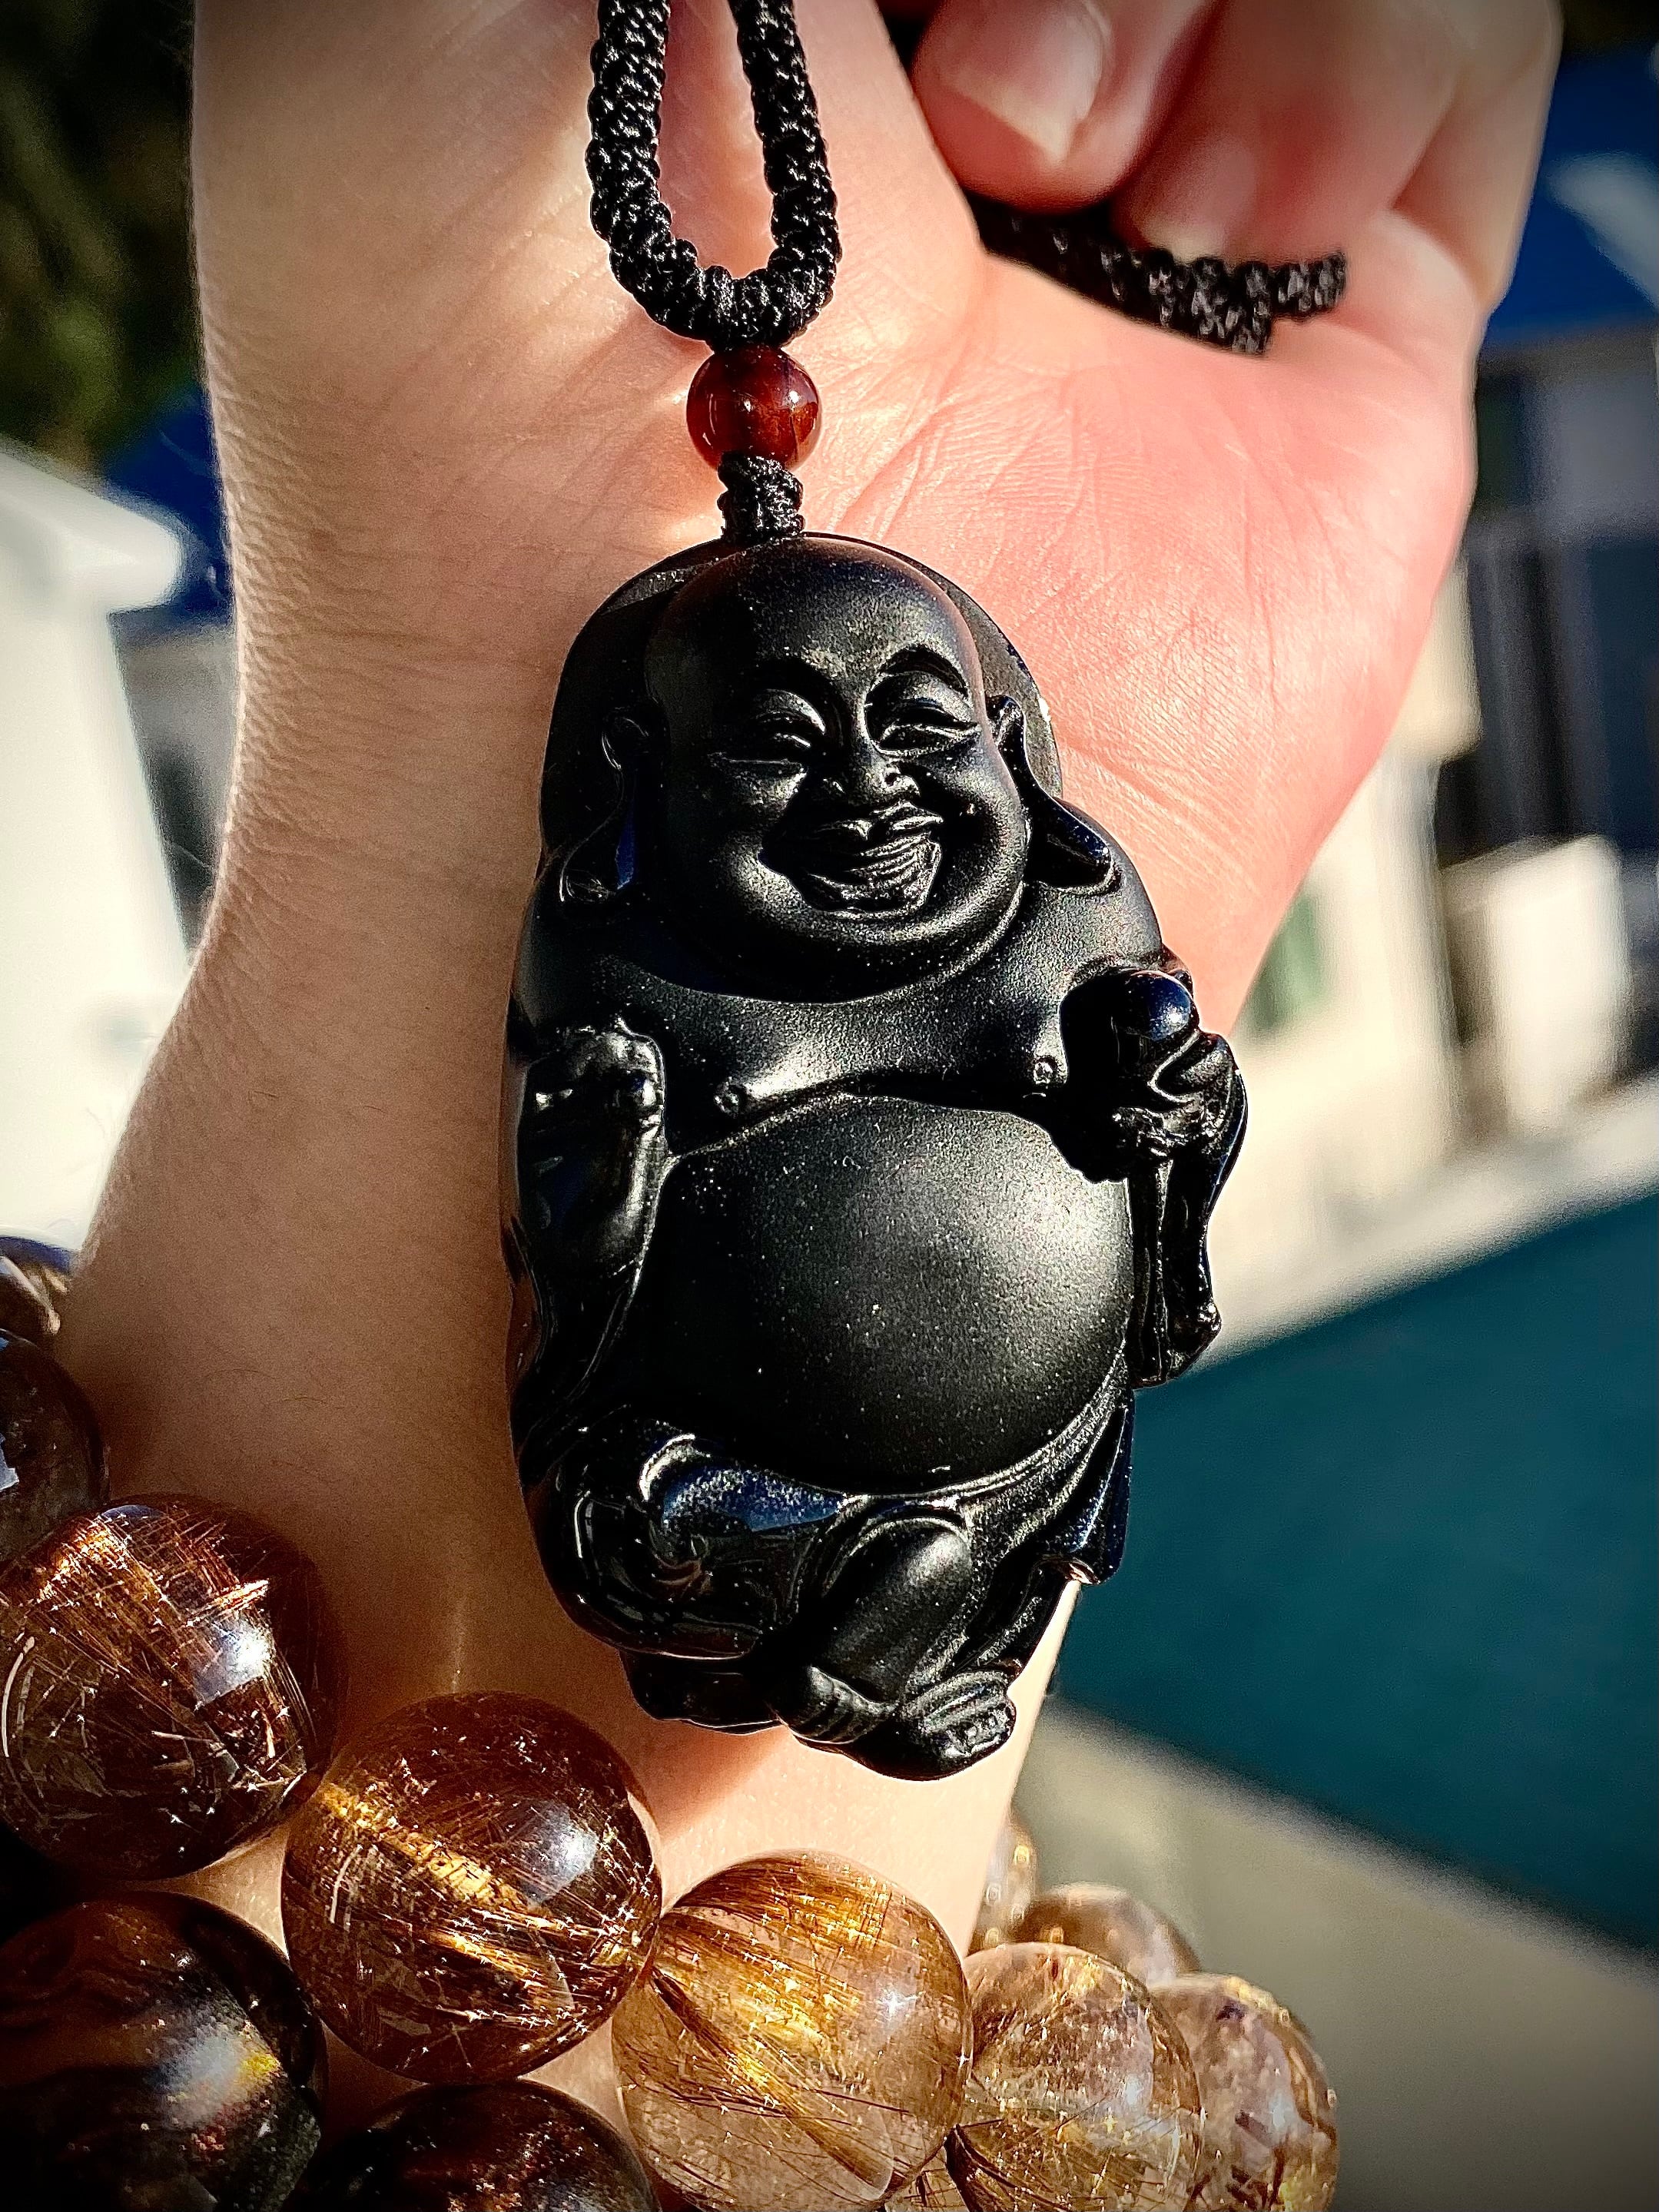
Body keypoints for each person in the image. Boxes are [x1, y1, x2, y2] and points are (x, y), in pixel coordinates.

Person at [59, 0, 1556, 2117]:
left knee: (924, 1542)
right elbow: (575, 1296)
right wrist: (593, 1194)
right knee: (687, 1519)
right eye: (779, 750)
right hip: (716, 1490)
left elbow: (1163, 1220)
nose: (869, 791)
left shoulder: (1070, 908)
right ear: (650, 792)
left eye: (925, 732)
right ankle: (859, 1607)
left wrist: (1167, 1126)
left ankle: (897, 1604)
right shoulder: (638, 969)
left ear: (1015, 745)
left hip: (1008, 1474)